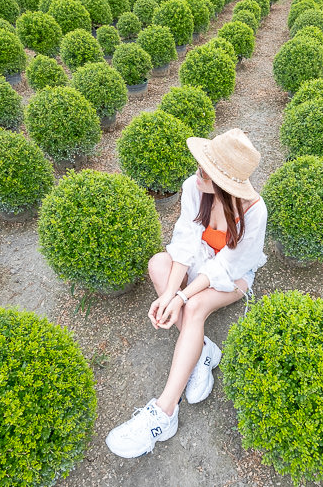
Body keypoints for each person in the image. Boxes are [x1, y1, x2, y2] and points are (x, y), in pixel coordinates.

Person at [105, 128, 268, 459]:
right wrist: (167, 293)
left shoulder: (254, 212)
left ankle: (164, 412)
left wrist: (180, 297)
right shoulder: (194, 189)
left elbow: (225, 268)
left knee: (193, 308)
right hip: (200, 263)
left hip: (232, 276)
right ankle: (203, 351)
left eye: (203, 171)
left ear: (224, 184)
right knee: (157, 264)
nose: (196, 174)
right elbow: (186, 241)